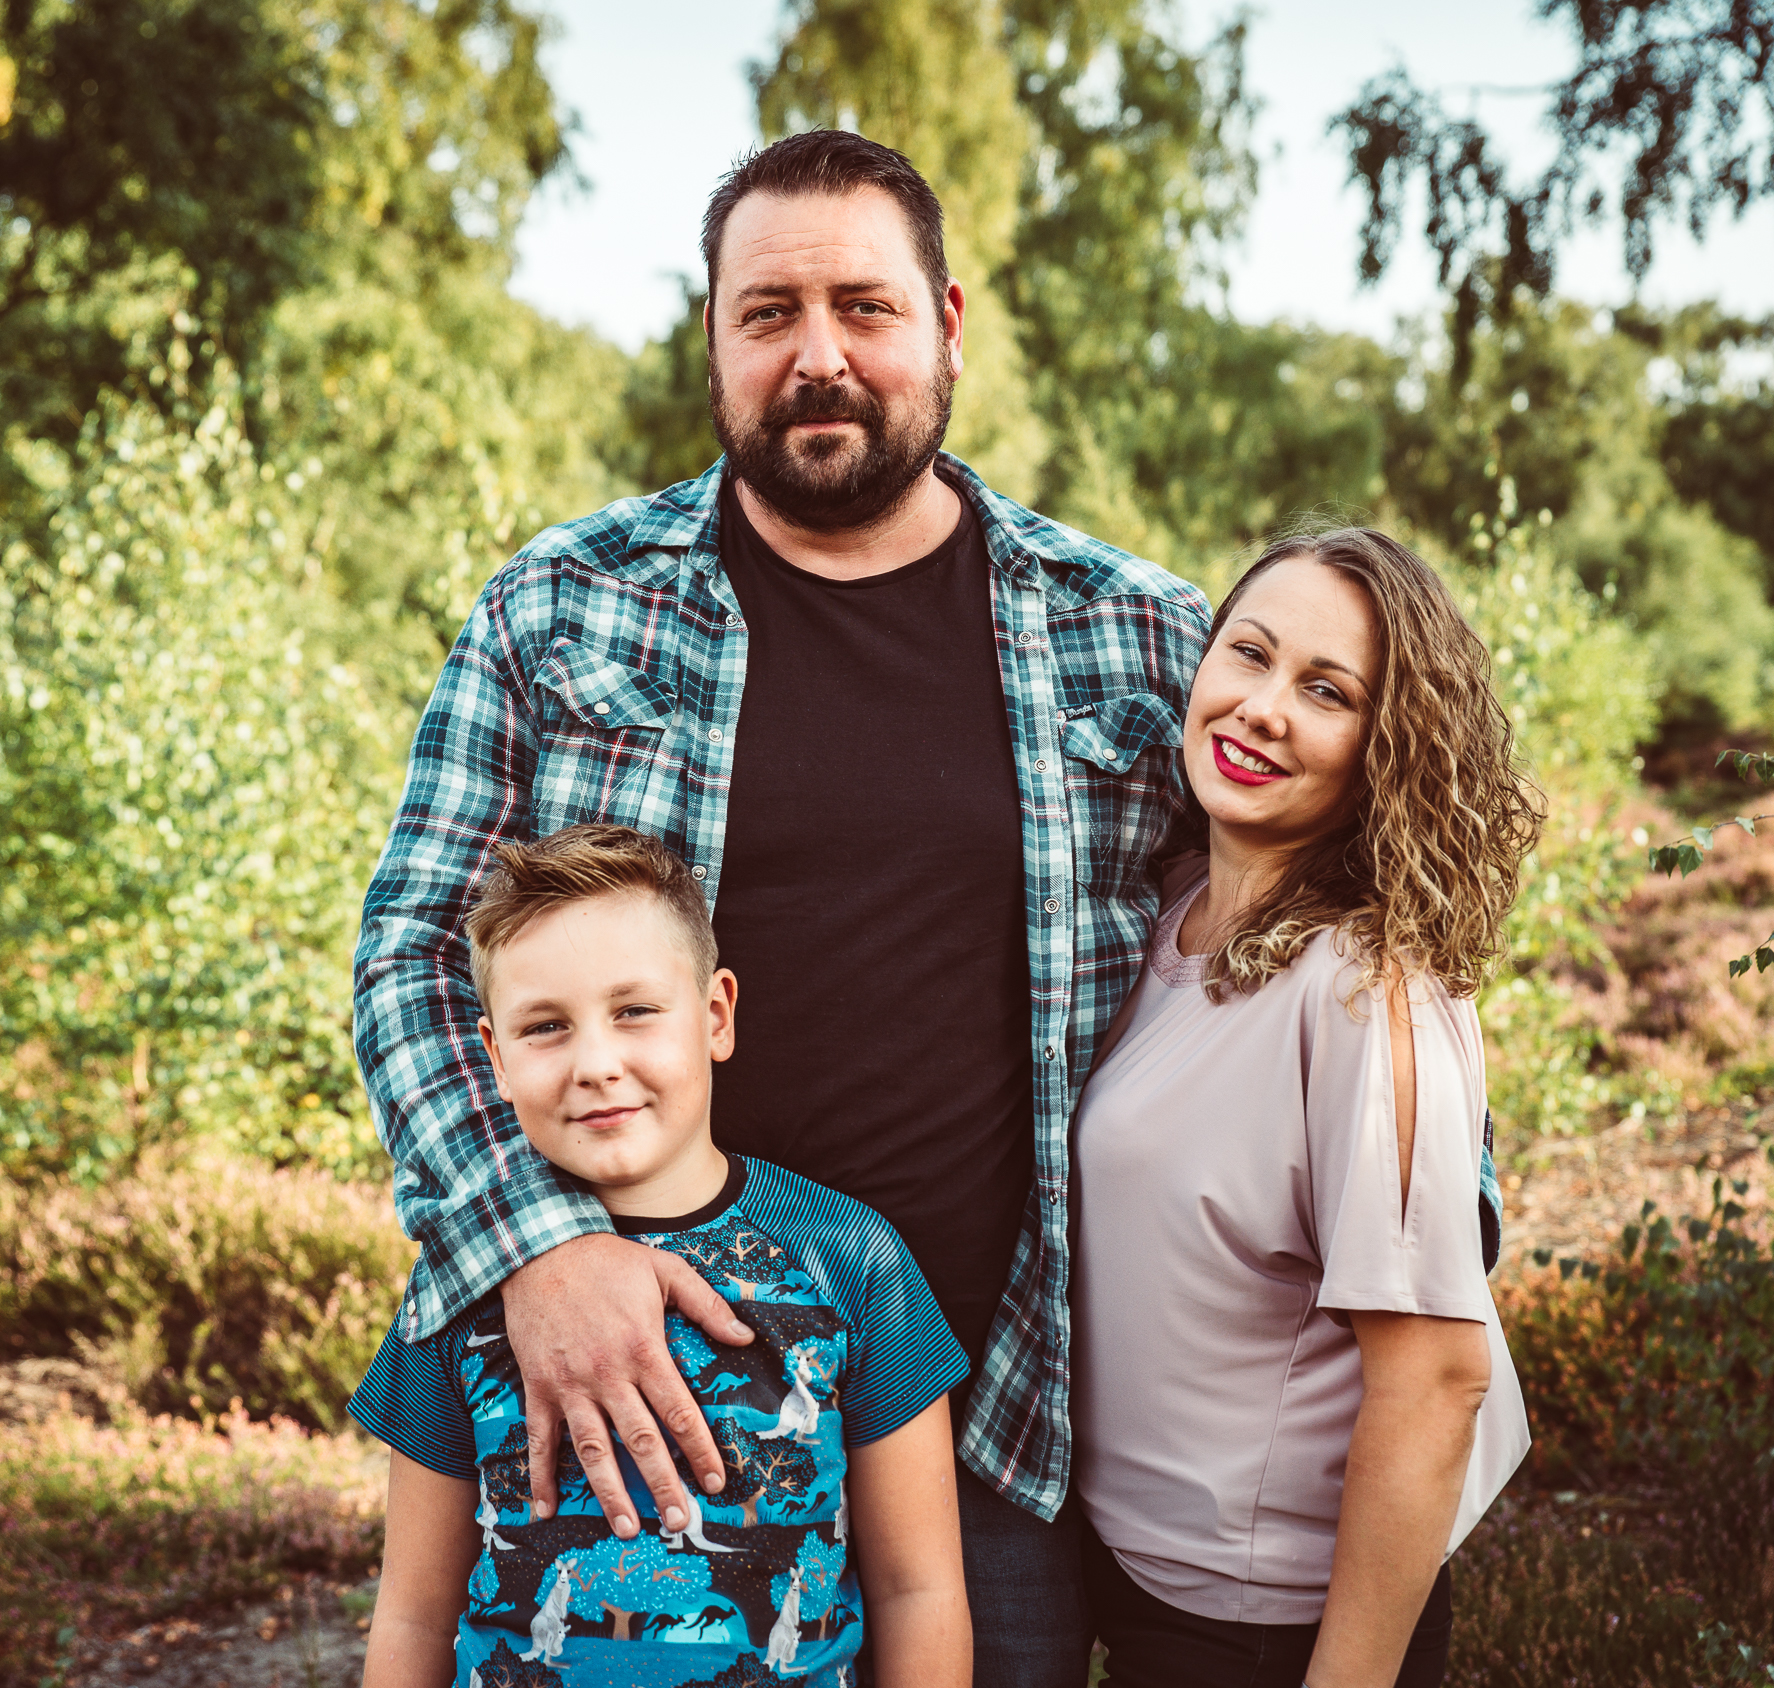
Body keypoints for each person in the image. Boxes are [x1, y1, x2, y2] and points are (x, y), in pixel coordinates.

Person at [352, 129, 1214, 1685]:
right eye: (768, 313)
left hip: (997, 1420)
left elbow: (1296, 939)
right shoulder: (562, 606)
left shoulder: (1134, 633)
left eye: (863, 307)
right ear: (714, 337)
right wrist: (535, 1250)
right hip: (626, 1387)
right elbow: (413, 946)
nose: (818, 354)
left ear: (947, 324)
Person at [1070, 527, 1541, 1688]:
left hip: (1260, 1628)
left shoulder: (1364, 991)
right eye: (1250, 652)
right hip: (1139, 1580)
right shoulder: (1171, 910)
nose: (1263, 707)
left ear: (1389, 750)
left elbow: (1436, 1376)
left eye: (1327, 691)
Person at [354, 824, 972, 1688]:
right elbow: (412, 1613)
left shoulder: (851, 1257)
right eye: (545, 1027)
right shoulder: (462, 1281)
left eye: (634, 1011)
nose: (596, 1064)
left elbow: (919, 1590)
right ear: (492, 1058)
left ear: (715, 1015)